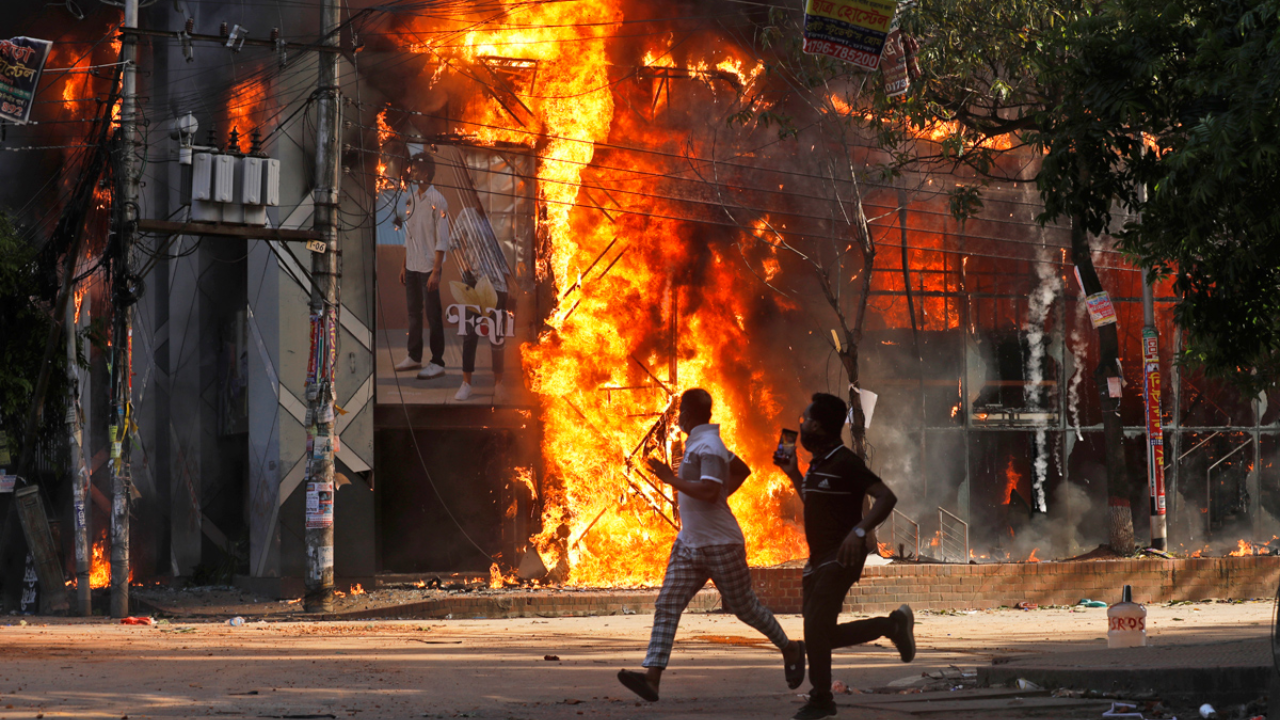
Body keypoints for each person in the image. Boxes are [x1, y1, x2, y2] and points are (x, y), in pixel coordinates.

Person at [617, 388, 806, 702]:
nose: (677, 418)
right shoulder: (701, 443)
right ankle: (652, 678)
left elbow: (706, 491)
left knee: (746, 609)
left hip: (721, 544)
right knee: (667, 604)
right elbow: (742, 470)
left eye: (679, 413)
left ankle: (791, 648)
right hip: (690, 543)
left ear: (688, 415)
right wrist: (721, 496)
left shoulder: (708, 446)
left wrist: (669, 478)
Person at [773, 392, 916, 720]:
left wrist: (860, 532)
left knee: (815, 630)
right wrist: (794, 474)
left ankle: (822, 698)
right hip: (817, 560)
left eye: (806, 421)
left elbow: (885, 496)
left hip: (842, 557)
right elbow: (817, 505)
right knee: (822, 634)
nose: (801, 426)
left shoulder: (846, 462)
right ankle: (892, 626)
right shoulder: (819, 464)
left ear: (820, 426)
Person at [394, 154, 450, 380]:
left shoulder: (438, 200)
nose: (412, 173)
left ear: (426, 173)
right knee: (414, 313)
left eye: (415, 170)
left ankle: (438, 362)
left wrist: (436, 271)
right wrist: (404, 265)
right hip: (413, 266)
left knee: (433, 315)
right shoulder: (412, 200)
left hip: (429, 267)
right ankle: (414, 356)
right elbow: (410, 236)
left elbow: (442, 239)